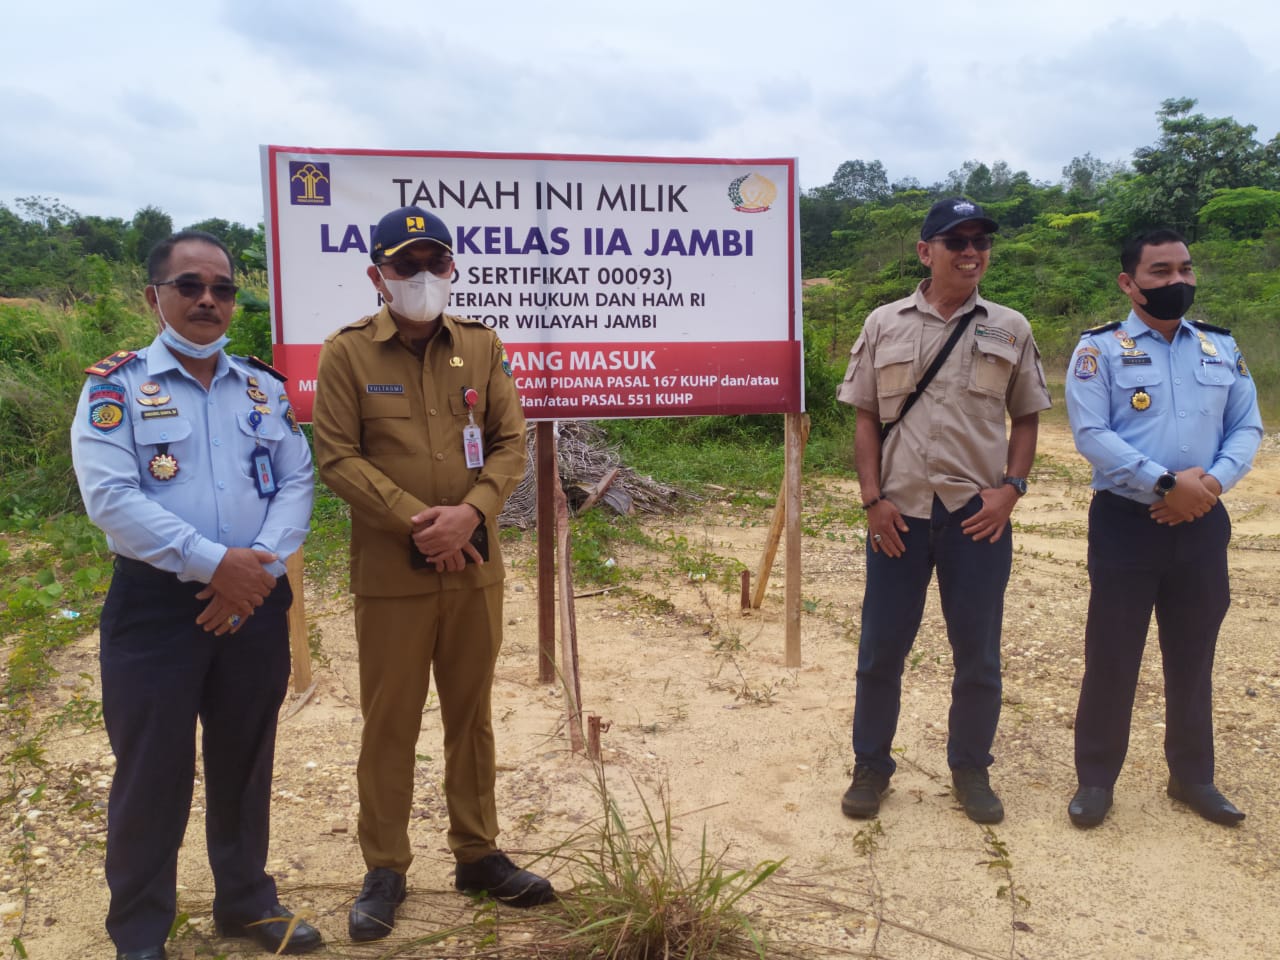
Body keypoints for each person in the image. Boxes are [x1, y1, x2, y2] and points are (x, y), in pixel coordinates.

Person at [71, 232, 320, 959]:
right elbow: (111, 498)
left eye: (222, 288)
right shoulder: (115, 388)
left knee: (245, 758)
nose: (208, 299)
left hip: (256, 600)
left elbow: (297, 479)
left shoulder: (262, 387)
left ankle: (246, 903)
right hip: (156, 608)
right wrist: (215, 564)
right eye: (190, 285)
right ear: (155, 297)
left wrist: (256, 569)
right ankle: (141, 932)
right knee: (153, 770)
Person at [311, 206, 552, 943]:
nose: (421, 276)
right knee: (390, 721)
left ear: (452, 267)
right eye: (405, 264)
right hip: (393, 573)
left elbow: (510, 442)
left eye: (433, 262)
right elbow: (337, 457)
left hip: (474, 568)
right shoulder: (346, 354)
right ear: (377, 275)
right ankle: (385, 868)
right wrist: (426, 523)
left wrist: (471, 514)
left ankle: (478, 854)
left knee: (470, 716)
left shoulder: (480, 345)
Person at [836, 198, 1051, 824]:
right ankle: (871, 766)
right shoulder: (884, 323)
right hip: (898, 516)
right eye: (957, 241)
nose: (971, 252)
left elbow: (1027, 417)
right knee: (880, 651)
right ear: (925, 251)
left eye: (981, 241)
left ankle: (971, 769)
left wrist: (1011, 490)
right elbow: (866, 418)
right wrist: (872, 500)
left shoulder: (1010, 326)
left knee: (978, 655)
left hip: (975, 519)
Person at [1063, 228, 1262, 829]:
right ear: (1130, 282)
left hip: (1202, 522)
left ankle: (1192, 777)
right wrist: (1166, 484)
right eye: (1161, 271)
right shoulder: (1099, 349)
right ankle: (1096, 780)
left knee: (1193, 655)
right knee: (1112, 654)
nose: (1177, 281)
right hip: (1127, 523)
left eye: (1184, 269)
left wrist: (1210, 486)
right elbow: (1091, 434)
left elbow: (1247, 427)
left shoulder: (1220, 347)